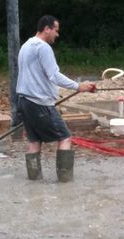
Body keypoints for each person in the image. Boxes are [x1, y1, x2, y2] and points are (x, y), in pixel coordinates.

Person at [16, 15, 96, 182]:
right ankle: (65, 183)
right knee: (65, 137)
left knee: (34, 141)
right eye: (56, 30)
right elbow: (54, 75)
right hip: (39, 103)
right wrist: (78, 86)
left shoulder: (25, 46)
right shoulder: (43, 47)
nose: (57, 34)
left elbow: (37, 75)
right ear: (47, 29)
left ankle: (34, 181)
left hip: (23, 101)